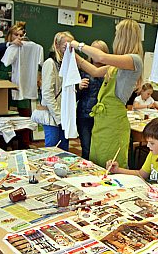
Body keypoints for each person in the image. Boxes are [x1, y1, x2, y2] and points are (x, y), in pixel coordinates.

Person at [70, 19, 143, 169]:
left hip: (114, 126)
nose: (114, 38)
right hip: (102, 124)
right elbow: (95, 71)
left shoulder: (134, 60)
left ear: (124, 36)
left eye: (117, 34)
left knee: (111, 168)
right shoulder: (118, 64)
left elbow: (100, 58)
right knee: (96, 164)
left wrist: (77, 45)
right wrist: (73, 55)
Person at [0, 22, 31, 148]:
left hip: (21, 84)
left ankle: (24, 144)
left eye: (21, 35)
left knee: (24, 112)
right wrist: (10, 45)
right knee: (4, 114)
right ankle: (2, 143)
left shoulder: (27, 47)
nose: (19, 37)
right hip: (5, 83)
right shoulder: (4, 47)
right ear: (10, 35)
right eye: (16, 35)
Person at [41, 31, 74, 151]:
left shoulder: (66, 64)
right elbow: (47, 93)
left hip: (63, 116)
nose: (69, 49)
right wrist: (59, 117)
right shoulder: (50, 63)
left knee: (64, 150)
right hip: (52, 116)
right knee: (52, 150)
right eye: (66, 46)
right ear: (57, 44)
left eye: (71, 47)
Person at [76, 40, 108, 160]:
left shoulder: (110, 70)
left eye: (99, 51)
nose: (95, 54)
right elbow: (73, 97)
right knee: (87, 147)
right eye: (93, 50)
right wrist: (78, 87)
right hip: (85, 115)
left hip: (103, 116)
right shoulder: (82, 71)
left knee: (101, 148)